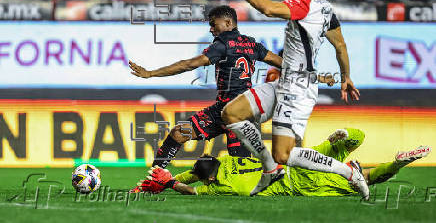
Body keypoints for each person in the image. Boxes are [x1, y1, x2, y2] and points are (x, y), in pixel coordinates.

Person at [215, 0, 369, 199]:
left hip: (297, 88)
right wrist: (346, 77)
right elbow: (340, 45)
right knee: (231, 113)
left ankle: (348, 172)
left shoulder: (304, 5)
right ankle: (270, 170)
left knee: (283, 154)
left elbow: (267, 8)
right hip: (285, 81)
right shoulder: (324, 5)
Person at [128, 5, 282, 184]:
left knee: (240, 173)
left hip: (236, 113)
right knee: (179, 133)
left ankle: (277, 181)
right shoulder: (252, 44)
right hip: (231, 111)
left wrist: (151, 73)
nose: (211, 29)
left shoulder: (222, 44)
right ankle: (153, 181)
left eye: (213, 24)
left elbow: (188, 64)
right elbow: (283, 63)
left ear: (228, 22)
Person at [137, 129, 432, 197]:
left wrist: (170, 182)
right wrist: (171, 178)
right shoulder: (227, 161)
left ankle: (395, 164)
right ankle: (341, 138)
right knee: (352, 140)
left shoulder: (225, 186)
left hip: (298, 183)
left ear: (210, 179)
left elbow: (193, 184)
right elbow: (196, 171)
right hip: (297, 159)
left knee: (366, 179)